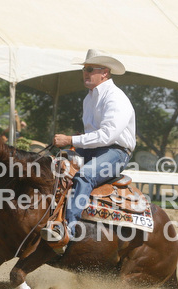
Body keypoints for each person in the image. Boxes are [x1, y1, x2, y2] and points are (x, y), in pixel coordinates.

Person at [41, 49, 136, 245]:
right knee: (54, 164)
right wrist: (75, 141)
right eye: (84, 69)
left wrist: (71, 140)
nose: (85, 73)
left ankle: (68, 227)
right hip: (96, 148)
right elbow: (94, 134)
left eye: (90, 69)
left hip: (117, 152)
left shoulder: (115, 98)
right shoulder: (89, 98)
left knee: (86, 175)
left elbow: (108, 135)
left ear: (105, 72)